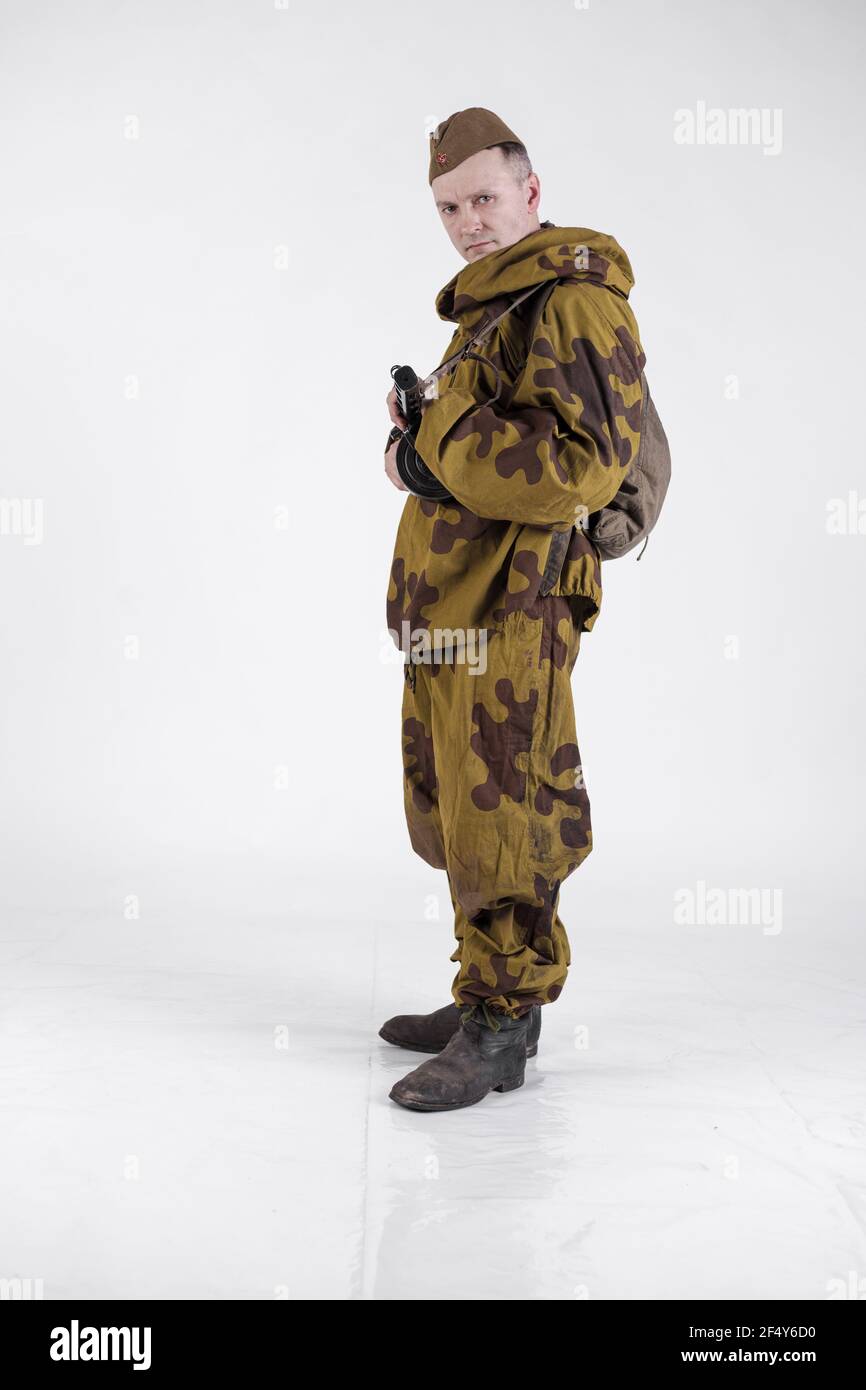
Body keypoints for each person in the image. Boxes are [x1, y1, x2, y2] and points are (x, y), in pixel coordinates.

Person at [380, 107, 647, 1113]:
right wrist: (419, 452)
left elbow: (575, 470)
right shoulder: (494, 310)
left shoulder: (570, 304)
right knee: (461, 803)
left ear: (529, 194)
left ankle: (503, 1025)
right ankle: (479, 992)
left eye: (483, 198)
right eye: (449, 206)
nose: (467, 222)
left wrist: (434, 440)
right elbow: (480, 454)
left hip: (514, 608)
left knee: (509, 811)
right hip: (459, 602)